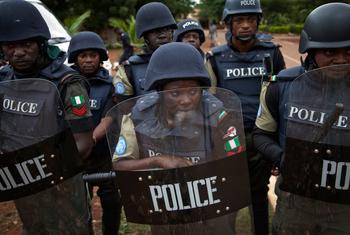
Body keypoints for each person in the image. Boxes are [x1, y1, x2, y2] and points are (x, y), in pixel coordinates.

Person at [112, 42, 247, 235]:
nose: (185, 100)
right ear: (160, 90)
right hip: (164, 211)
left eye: (193, 91)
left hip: (209, 213)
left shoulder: (218, 117)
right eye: (175, 93)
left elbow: (234, 167)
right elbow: (120, 165)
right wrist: (158, 160)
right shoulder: (139, 116)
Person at [253, 2, 350, 234]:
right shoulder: (282, 86)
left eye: (349, 51)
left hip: (344, 206)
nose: (340, 60)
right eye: (329, 52)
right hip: (294, 200)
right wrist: (283, 158)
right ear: (310, 49)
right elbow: (261, 135)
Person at [0, 0, 94, 234]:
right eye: (11, 45)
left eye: (27, 44)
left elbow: (83, 144)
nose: (18, 52)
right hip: (23, 182)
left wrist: (37, 167)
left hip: (62, 180)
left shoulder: (68, 83)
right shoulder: (5, 80)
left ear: (41, 44)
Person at [205, 0, 286, 234]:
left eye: (251, 19)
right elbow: (208, 100)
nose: (246, 25)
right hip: (227, 136)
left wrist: (277, 143)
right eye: (239, 20)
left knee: (258, 195)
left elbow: (281, 97)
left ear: (258, 22)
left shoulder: (271, 53)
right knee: (227, 194)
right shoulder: (215, 58)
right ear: (229, 24)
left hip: (262, 137)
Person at [67, 31, 122, 235]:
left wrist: (90, 139)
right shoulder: (65, 83)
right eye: (83, 56)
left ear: (101, 57)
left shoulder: (109, 85)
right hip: (75, 157)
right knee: (79, 204)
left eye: (93, 55)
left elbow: (109, 117)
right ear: (75, 58)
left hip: (103, 154)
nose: (88, 60)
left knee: (112, 201)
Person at [113, 2, 177, 99]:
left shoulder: (186, 60)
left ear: (172, 32)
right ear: (145, 37)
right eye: (154, 31)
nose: (162, 35)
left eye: (166, 29)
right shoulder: (129, 70)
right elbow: (123, 108)